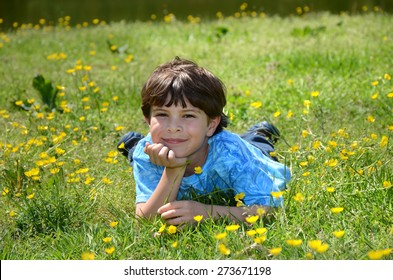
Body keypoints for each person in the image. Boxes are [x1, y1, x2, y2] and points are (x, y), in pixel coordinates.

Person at [118, 57, 291, 225]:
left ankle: (259, 133)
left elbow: (269, 210)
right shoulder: (147, 151)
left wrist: (207, 213)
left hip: (249, 151)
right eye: (162, 114)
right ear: (148, 120)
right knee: (138, 152)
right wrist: (174, 170)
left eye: (188, 115)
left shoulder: (233, 154)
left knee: (256, 145)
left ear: (210, 125)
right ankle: (132, 145)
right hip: (189, 143)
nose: (173, 127)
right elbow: (145, 221)